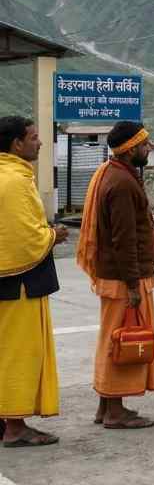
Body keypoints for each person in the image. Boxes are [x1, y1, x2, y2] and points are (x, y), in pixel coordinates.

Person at [76, 121, 154, 429]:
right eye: (145, 144)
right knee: (122, 340)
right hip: (124, 279)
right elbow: (124, 240)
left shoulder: (113, 174)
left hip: (118, 276)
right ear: (130, 149)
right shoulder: (122, 183)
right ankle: (114, 411)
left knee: (114, 337)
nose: (148, 149)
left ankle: (106, 405)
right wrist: (133, 285)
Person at [0, 116, 68, 447]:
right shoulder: (13, 180)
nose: (40, 142)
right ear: (16, 144)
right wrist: (54, 235)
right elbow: (23, 239)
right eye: (34, 137)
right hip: (19, 282)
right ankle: (14, 427)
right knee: (19, 354)